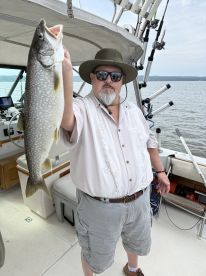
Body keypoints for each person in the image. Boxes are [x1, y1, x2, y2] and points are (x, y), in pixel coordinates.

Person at [61, 48, 170, 276]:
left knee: (136, 242)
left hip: (140, 200)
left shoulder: (134, 111)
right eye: (101, 75)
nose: (108, 81)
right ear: (92, 78)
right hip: (100, 207)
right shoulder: (82, 108)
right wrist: (65, 76)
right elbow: (68, 122)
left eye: (115, 76)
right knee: (94, 255)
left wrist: (160, 172)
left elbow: (149, 142)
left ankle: (132, 269)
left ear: (123, 81)